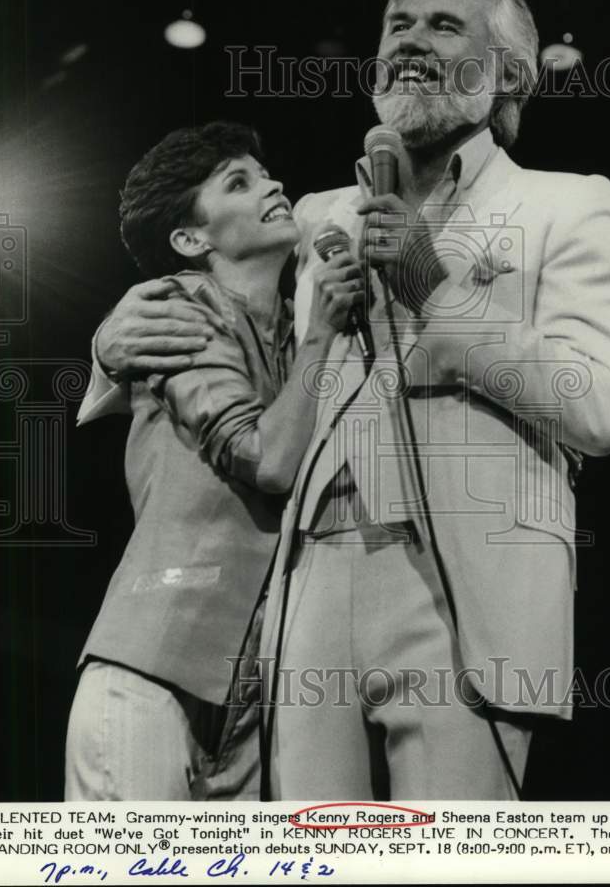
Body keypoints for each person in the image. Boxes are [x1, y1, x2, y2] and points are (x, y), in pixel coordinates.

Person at [83, 0, 610, 800]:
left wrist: (434, 287)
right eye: (398, 24)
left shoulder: (567, 203)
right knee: (315, 853)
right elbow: (214, 290)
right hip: (305, 580)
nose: (411, 40)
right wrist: (110, 339)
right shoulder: (313, 216)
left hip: (464, 589)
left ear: (505, 72)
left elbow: (600, 408)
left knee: (451, 860)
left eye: (445, 25)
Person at [66, 120, 363, 800]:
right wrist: (324, 334)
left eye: (263, 173)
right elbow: (269, 462)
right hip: (154, 667)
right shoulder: (176, 308)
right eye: (239, 182)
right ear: (191, 239)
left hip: (253, 701)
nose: (271, 184)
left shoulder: (290, 338)